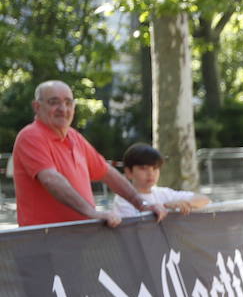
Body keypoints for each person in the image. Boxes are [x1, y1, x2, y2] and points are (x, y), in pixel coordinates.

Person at [11, 80, 165, 227]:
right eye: (54, 102)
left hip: (77, 238)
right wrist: (91, 212)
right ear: (37, 107)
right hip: (42, 240)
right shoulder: (31, 136)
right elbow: (51, 179)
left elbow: (107, 173)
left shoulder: (74, 137)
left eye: (68, 102)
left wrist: (142, 204)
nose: (63, 109)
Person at [112, 143, 210, 216]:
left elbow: (204, 199)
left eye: (155, 168)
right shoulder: (123, 199)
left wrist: (185, 204)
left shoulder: (164, 193)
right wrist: (166, 207)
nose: (151, 174)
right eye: (144, 168)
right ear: (129, 172)